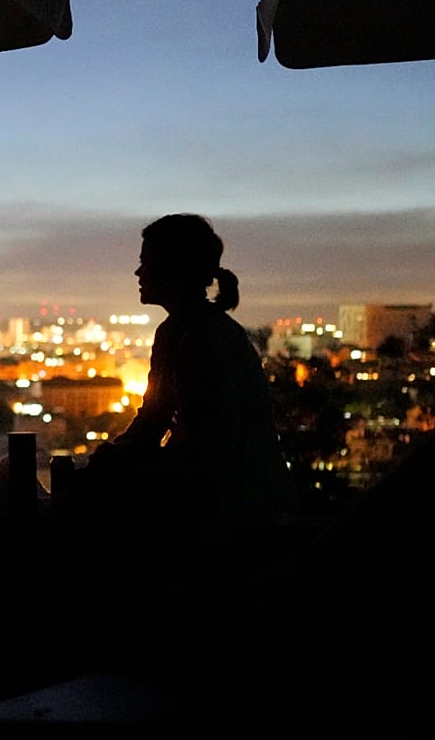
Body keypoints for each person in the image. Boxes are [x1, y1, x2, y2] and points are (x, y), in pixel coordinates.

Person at [75, 214, 296, 580]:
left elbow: (209, 442)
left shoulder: (201, 337)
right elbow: (154, 417)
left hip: (231, 509)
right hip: (225, 496)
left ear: (170, 269)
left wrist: (119, 465)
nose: (138, 273)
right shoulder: (182, 331)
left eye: (145, 262)